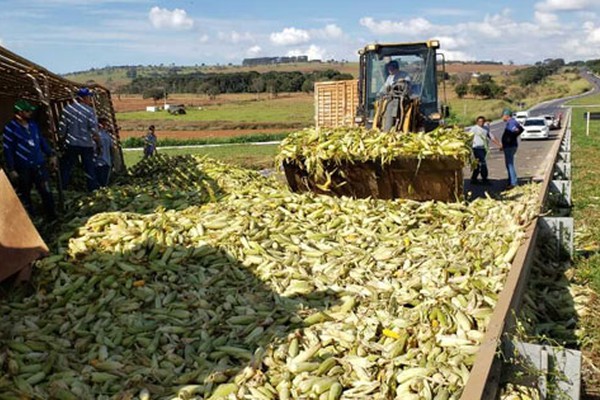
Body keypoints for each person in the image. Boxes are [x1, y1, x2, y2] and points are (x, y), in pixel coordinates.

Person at [2, 99, 56, 220]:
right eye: (27, 111)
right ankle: (31, 219)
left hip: (39, 164)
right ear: (19, 113)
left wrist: (51, 154)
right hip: (23, 167)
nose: (30, 113)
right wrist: (11, 169)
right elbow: (8, 150)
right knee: (25, 194)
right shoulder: (10, 129)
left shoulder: (33, 125)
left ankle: (52, 216)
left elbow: (41, 141)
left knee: (46, 191)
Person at [59, 87, 100, 191]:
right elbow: (93, 128)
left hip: (71, 143)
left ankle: (63, 189)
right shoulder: (89, 111)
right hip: (86, 144)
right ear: (83, 98)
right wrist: (98, 141)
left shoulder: (67, 110)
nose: (90, 100)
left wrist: (61, 140)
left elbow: (62, 129)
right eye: (88, 97)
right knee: (89, 168)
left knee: (67, 167)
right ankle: (92, 190)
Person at [470, 116, 501, 185]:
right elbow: (469, 137)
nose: (481, 123)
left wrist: (499, 144)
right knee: (483, 163)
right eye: (479, 122)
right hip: (476, 148)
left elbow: (491, 137)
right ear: (477, 122)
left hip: (484, 148)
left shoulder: (486, 128)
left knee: (478, 164)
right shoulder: (474, 129)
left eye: (482, 122)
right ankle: (484, 179)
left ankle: (474, 178)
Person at [500, 108, 524, 189]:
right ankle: (510, 180)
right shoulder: (513, 122)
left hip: (510, 146)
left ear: (506, 116)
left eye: (502, 116)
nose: (502, 118)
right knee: (508, 164)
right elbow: (520, 129)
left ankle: (513, 183)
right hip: (510, 146)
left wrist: (509, 140)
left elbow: (516, 130)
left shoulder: (511, 122)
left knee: (510, 164)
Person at [94, 117, 114, 187]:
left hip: (106, 161)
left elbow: (111, 147)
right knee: (101, 181)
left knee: (104, 181)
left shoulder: (106, 134)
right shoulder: (96, 135)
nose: (105, 126)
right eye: (104, 124)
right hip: (99, 161)